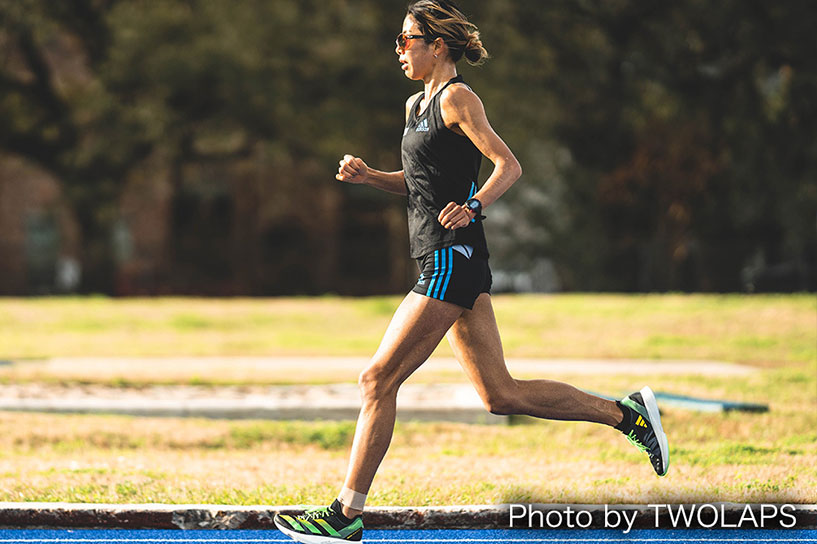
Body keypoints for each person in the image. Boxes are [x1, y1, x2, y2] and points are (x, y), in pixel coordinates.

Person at [274, 2, 669, 542]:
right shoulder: (416, 104)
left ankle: (345, 515)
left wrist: (476, 205)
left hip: (448, 259)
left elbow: (509, 165)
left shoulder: (458, 98)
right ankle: (628, 415)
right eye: (398, 39)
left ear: (438, 46)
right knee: (499, 395)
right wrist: (370, 178)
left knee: (376, 379)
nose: (399, 48)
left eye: (407, 39)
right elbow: (420, 186)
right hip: (451, 258)